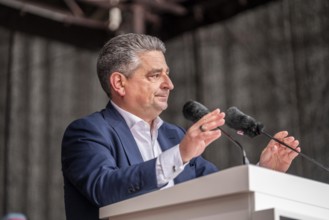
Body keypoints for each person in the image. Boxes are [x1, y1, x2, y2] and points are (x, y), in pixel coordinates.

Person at [61, 33, 300, 220]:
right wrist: (179, 155)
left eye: (167, 74)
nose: (170, 84)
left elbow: (219, 192)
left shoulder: (174, 135)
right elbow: (103, 189)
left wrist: (264, 173)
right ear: (119, 84)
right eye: (155, 75)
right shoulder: (88, 131)